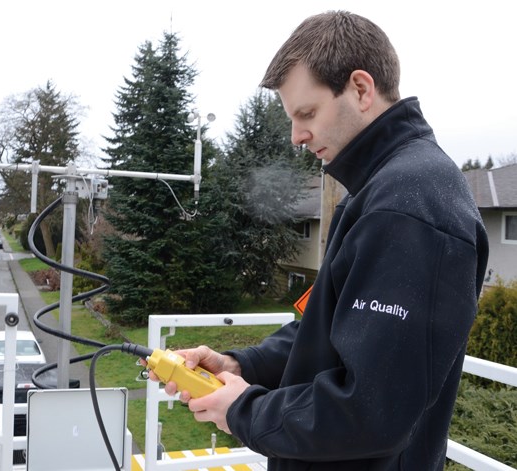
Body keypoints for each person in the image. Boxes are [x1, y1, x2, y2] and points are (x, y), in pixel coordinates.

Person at [150, 10, 489, 470]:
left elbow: (373, 411)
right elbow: (331, 331)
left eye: (307, 113)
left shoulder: (408, 207)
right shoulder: (381, 191)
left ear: (361, 89)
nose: (296, 136)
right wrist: (241, 366)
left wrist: (243, 410)